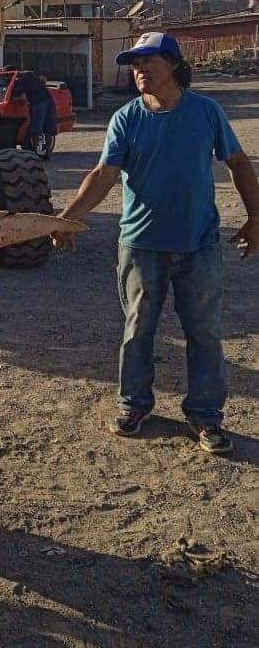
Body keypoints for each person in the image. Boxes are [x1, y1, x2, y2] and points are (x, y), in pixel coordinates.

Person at [53, 32, 259, 454]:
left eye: (148, 61)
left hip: (198, 243)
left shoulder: (207, 112)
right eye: (134, 63)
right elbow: (103, 175)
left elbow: (238, 163)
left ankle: (206, 417)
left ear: (174, 65)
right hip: (141, 245)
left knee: (204, 333)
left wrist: (256, 217)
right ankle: (134, 405)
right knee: (137, 331)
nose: (139, 69)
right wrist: (68, 216)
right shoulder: (127, 118)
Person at [15, 70, 49, 152]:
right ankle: (43, 151)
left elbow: (23, 98)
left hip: (38, 102)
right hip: (45, 99)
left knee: (36, 128)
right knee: (41, 128)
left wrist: (16, 99)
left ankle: (38, 151)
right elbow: (43, 80)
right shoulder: (28, 75)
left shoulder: (19, 81)